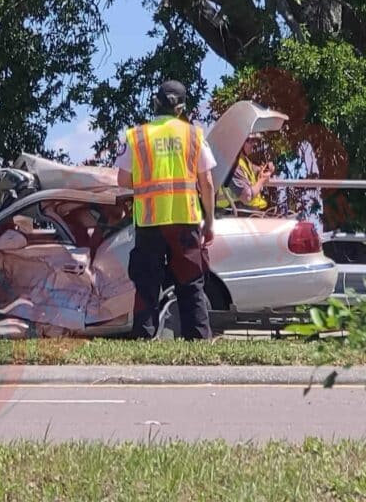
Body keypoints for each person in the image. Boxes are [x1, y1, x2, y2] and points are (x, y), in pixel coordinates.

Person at [116, 80, 217, 340]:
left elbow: (123, 180)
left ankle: (143, 337)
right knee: (191, 281)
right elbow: (206, 183)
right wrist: (210, 221)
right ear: (181, 108)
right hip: (185, 220)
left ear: (155, 102)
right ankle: (197, 339)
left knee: (147, 283)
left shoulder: (137, 136)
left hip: (150, 221)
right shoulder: (194, 135)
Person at [216, 133, 275, 211]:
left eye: (255, 140)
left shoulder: (244, 161)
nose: (254, 144)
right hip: (232, 215)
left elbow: (255, 170)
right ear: (239, 142)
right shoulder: (232, 166)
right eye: (251, 141)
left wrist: (264, 170)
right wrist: (262, 180)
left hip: (249, 215)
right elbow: (247, 196)